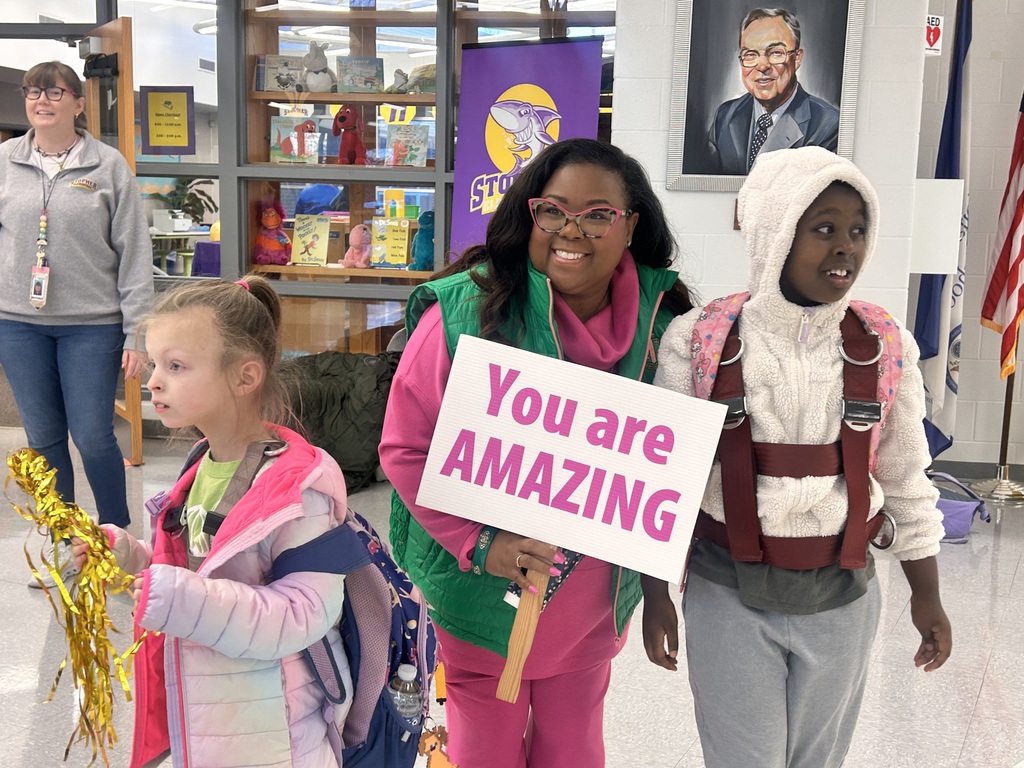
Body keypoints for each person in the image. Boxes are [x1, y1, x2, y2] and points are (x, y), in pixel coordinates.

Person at [378, 137, 695, 768]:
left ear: (631, 225)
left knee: (574, 751)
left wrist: (659, 590)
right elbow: (407, 448)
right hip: (476, 592)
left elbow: (670, 482)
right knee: (483, 754)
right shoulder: (467, 311)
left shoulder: (667, 329)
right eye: (553, 211)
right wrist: (481, 544)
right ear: (530, 214)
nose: (570, 230)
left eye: (598, 214)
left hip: (591, 608)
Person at [644, 146, 951, 767]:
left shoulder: (885, 345)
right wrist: (655, 595)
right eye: (823, 228)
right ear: (774, 232)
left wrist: (928, 594)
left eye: (859, 230)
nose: (846, 247)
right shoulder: (701, 340)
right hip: (726, 590)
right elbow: (663, 482)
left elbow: (905, 475)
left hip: (845, 596)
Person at [71, 274, 353, 767]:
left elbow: (304, 614)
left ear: (245, 377)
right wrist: (125, 558)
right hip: (204, 722)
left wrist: (178, 596)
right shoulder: (200, 467)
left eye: (176, 366)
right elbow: (191, 574)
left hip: (275, 736)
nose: (153, 379)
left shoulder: (299, 490)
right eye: (155, 363)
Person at [0, 61, 153, 587]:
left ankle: (115, 546)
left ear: (79, 102)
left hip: (92, 324)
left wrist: (138, 331)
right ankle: (68, 546)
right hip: (17, 324)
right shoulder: (4, 161)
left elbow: (134, 253)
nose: (42, 100)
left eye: (55, 91)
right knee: (43, 438)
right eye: (33, 92)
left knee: (92, 435)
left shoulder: (108, 167)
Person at [708, 8, 840, 175]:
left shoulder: (828, 126)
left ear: (797, 59)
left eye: (776, 53)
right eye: (750, 54)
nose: (762, 66)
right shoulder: (725, 117)